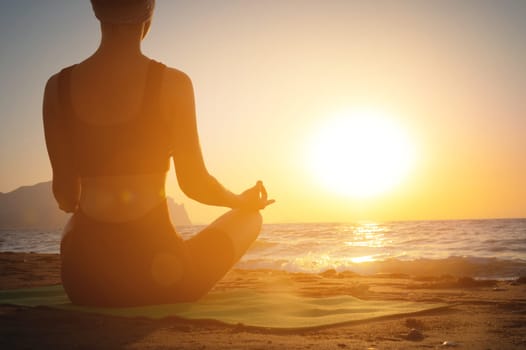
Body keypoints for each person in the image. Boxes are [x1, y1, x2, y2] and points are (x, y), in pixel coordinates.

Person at [42, 0, 274, 307]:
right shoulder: (173, 84)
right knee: (250, 219)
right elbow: (194, 184)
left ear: (96, 11)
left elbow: (66, 196)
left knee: (77, 223)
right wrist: (240, 202)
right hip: (158, 278)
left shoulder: (57, 87)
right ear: (148, 14)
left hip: (84, 281)